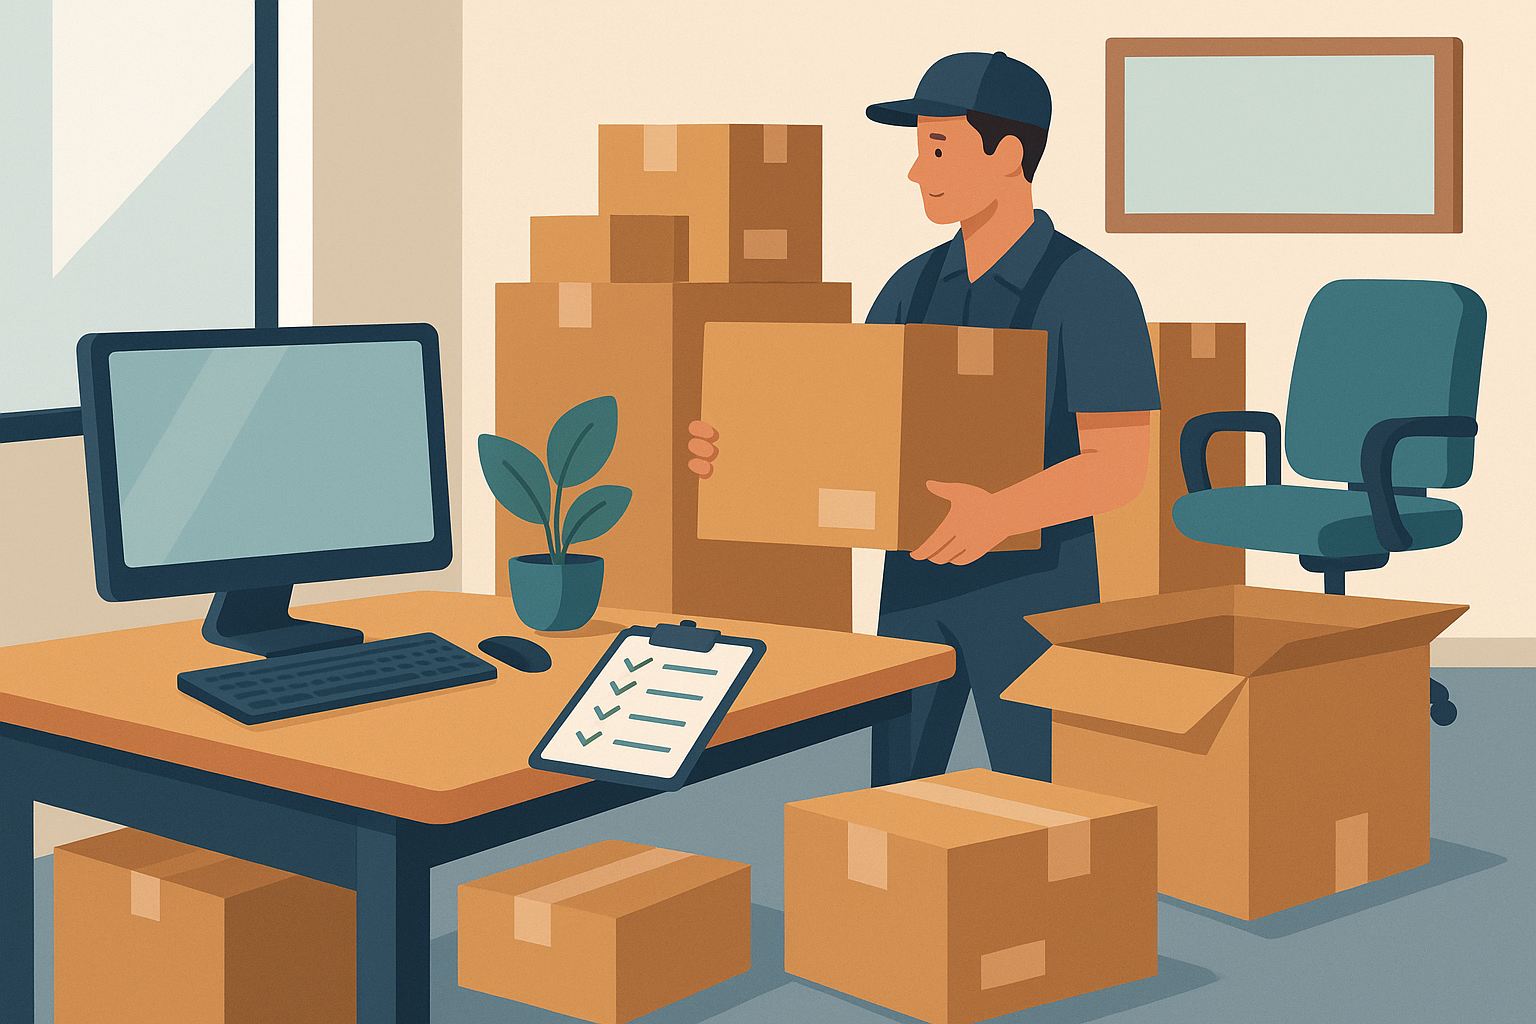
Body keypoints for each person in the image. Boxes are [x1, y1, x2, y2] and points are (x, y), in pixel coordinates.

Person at [687, 51, 1160, 781]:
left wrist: (999, 515)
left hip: (1034, 593)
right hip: (914, 586)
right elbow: (856, 429)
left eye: (938, 149)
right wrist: (747, 454)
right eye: (918, 150)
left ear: (1009, 154)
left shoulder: (1091, 291)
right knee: (895, 794)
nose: (916, 171)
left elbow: (1121, 466)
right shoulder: (910, 288)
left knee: (1043, 798)